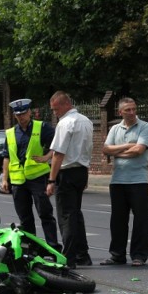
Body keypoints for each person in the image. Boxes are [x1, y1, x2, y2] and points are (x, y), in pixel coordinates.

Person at [0, 99, 61, 250]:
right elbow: (6, 156)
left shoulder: (42, 127)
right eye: (18, 114)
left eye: (24, 113)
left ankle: (52, 247)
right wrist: (5, 178)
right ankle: (31, 248)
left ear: (30, 112)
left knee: (45, 214)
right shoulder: (10, 133)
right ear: (15, 116)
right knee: (25, 218)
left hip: (38, 179)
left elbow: (58, 145)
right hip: (18, 181)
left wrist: (47, 157)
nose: (21, 117)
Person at [101, 97, 148, 267]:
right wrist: (126, 146)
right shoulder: (115, 128)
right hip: (117, 181)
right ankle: (117, 255)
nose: (132, 112)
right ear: (120, 112)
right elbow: (105, 149)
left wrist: (116, 153)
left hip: (138, 180)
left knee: (140, 220)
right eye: (128, 110)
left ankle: (139, 255)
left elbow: (138, 150)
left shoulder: (145, 127)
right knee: (117, 220)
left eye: (134, 109)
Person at [45, 91, 94, 268]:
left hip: (66, 173)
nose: (54, 113)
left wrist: (51, 180)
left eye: (56, 109)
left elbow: (58, 154)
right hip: (81, 171)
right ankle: (83, 255)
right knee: (76, 214)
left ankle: (69, 258)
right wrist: (86, 171)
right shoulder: (86, 121)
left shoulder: (65, 123)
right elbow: (87, 149)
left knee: (67, 217)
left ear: (66, 104)